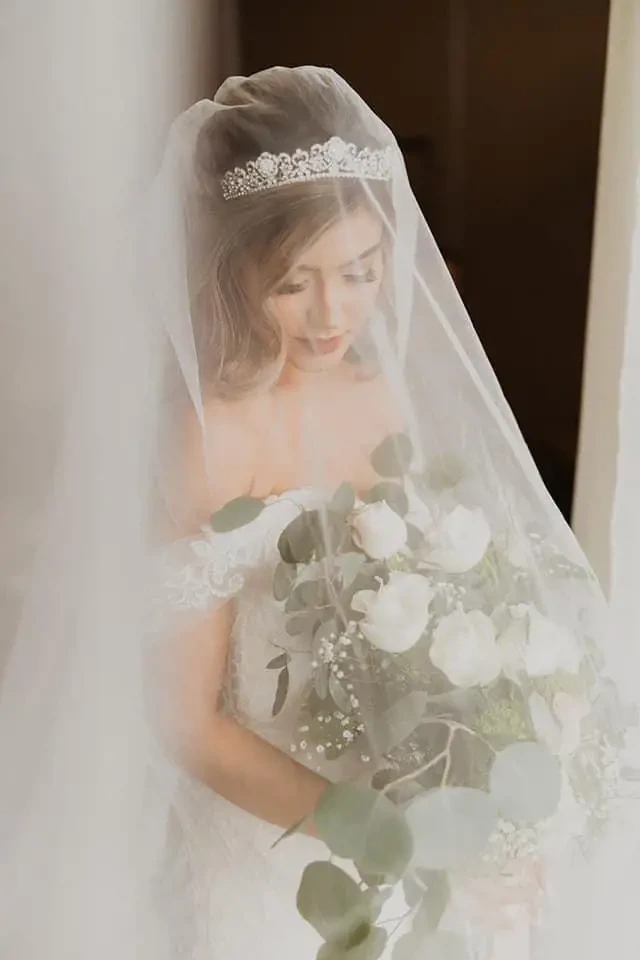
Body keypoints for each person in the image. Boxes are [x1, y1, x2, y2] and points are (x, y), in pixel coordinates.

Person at [1, 65, 638, 960]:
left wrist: (490, 802)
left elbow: (470, 615)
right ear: (233, 269)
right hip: (276, 850)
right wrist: (382, 836)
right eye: (294, 282)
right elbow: (185, 723)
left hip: (415, 819)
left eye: (360, 271)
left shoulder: (392, 406)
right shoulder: (208, 444)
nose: (334, 312)